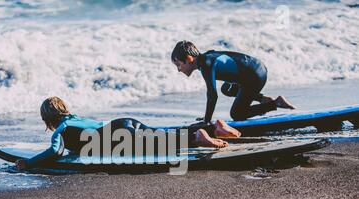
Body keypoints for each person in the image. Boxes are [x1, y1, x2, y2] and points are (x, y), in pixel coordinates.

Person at [15, 97, 241, 169]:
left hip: (117, 136)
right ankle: (213, 128)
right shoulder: (77, 119)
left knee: (159, 145)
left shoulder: (62, 130)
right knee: (160, 134)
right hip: (124, 122)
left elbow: (54, 152)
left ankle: (197, 138)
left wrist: (29, 163)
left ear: (48, 119)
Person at [171, 40, 295, 122]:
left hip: (254, 76)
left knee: (237, 114)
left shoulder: (206, 65)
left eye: (178, 65)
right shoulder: (206, 58)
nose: (178, 70)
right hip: (255, 68)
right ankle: (262, 99)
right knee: (226, 89)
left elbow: (212, 95)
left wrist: (206, 121)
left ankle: (275, 103)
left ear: (188, 59)